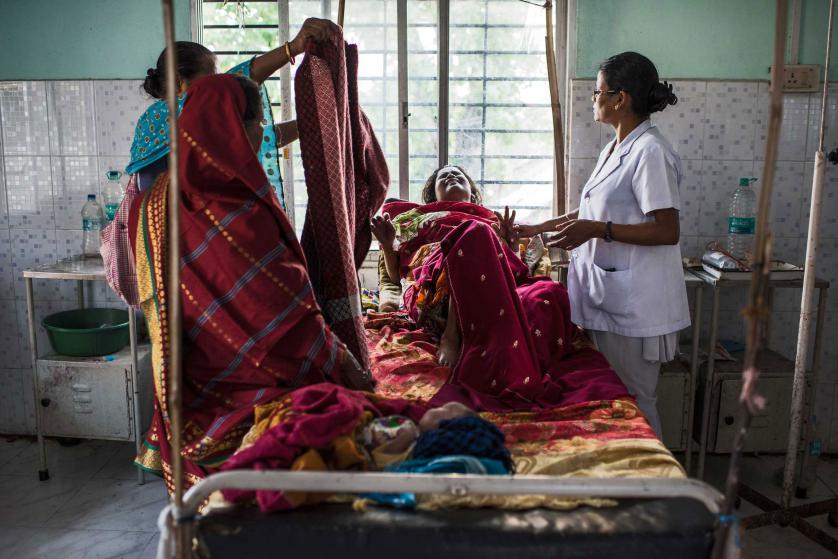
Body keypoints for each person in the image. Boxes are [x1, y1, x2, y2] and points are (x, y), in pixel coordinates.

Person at [129, 74, 371, 493]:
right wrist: (344, 361)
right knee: (352, 418)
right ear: (234, 128)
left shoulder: (156, 201)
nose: (262, 135)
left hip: (194, 387)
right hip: (262, 385)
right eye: (258, 123)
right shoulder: (238, 209)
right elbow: (288, 319)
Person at [513, 52, 689, 436]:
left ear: (619, 98)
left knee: (636, 402)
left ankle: (654, 489)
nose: (593, 98)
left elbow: (666, 230)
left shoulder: (650, 152)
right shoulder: (615, 147)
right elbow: (593, 207)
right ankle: (632, 482)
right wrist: (538, 228)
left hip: (637, 306)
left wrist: (598, 231)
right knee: (616, 397)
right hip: (612, 296)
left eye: (597, 91)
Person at [371, 165, 626, 412]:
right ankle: (452, 334)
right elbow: (399, 273)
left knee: (548, 294)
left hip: (497, 285)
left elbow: (511, 265)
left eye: (457, 174)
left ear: (471, 190)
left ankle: (516, 363)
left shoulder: (489, 218)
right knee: (474, 234)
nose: (450, 175)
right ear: (432, 194)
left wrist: (510, 245)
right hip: (439, 282)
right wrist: (386, 244)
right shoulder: (418, 219)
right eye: (443, 176)